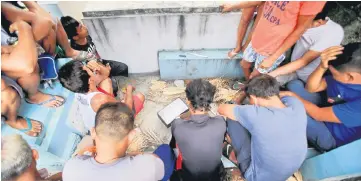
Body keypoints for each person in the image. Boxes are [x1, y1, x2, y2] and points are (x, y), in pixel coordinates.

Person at [218, 74, 307, 181]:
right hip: (288, 170)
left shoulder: (256, 115)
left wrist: (239, 99)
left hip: (257, 177)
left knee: (233, 118)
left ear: (254, 98)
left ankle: (231, 150)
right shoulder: (296, 104)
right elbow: (283, 96)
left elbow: (222, 109)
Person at [63, 102, 175, 181]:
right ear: (132, 135)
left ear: (93, 132)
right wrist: (134, 154)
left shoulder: (70, 168)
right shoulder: (148, 165)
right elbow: (158, 170)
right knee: (165, 149)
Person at [283, 43, 361, 152]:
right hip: (325, 107)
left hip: (331, 136)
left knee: (289, 108)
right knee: (294, 85)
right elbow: (311, 88)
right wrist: (322, 66)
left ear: (350, 77)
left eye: (334, 74)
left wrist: (291, 96)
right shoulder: (345, 75)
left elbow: (319, 115)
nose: (332, 76)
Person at [221, 1, 326, 80]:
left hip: (272, 49)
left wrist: (273, 58)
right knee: (244, 65)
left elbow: (299, 30)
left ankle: (246, 92)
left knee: (256, 77)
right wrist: (233, 5)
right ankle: (248, 85)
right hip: (257, 40)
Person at [269, 3, 344, 86]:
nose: (300, 25)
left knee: (267, 81)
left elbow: (303, 61)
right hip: (290, 63)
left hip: (304, 76)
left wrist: (271, 74)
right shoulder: (307, 19)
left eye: (303, 24)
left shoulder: (332, 33)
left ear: (318, 22)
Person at [58, 60, 144, 131]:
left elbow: (105, 75)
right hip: (110, 129)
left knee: (106, 81)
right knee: (140, 96)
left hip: (97, 119)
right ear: (90, 80)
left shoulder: (78, 87)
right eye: (86, 67)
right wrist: (129, 90)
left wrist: (98, 67)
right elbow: (128, 111)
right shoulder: (100, 99)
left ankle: (116, 104)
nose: (88, 66)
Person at [1, 20, 65, 108]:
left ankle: (49, 67)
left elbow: (42, 18)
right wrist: (24, 27)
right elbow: (26, 65)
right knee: (29, 68)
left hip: (13, 50)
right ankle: (33, 96)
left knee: (48, 28)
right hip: (8, 72)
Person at [171, 79, 226, 181]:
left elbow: (174, 143)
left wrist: (186, 114)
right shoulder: (221, 123)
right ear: (210, 101)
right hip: (215, 176)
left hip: (189, 176)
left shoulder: (178, 126)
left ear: (188, 101)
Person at [1, 1, 93, 60]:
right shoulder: (4, 5)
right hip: (17, 47)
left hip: (33, 38)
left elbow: (45, 18)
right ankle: (54, 59)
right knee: (48, 26)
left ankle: (68, 52)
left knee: (54, 21)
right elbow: (44, 21)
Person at [60, 16, 129, 77]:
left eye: (82, 24)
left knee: (123, 68)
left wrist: (102, 63)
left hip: (100, 62)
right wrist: (104, 70)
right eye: (81, 28)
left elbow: (96, 53)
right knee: (113, 86)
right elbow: (88, 70)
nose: (85, 27)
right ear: (75, 37)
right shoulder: (76, 51)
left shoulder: (87, 36)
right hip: (95, 71)